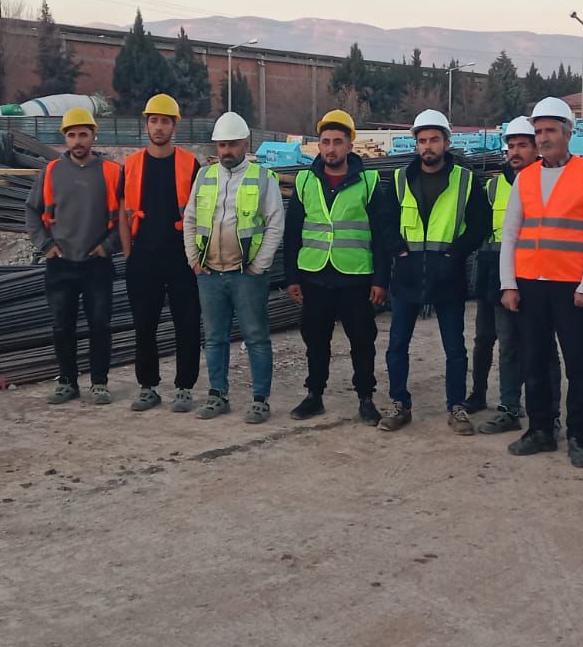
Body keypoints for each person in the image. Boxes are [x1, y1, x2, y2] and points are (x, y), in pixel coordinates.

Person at [501, 96, 583, 468]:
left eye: (550, 130)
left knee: (579, 363)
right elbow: (510, 234)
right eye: (539, 131)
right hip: (531, 283)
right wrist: (508, 284)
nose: (543, 138)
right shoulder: (526, 177)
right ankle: (540, 429)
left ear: (567, 133)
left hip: (571, 287)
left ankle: (579, 436)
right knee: (533, 360)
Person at [379, 109, 491, 434]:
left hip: (448, 278)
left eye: (434, 139)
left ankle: (456, 407)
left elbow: (480, 224)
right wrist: (398, 250)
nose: (427, 146)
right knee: (397, 345)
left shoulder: (465, 180)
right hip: (407, 276)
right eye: (422, 140)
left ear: (446, 142)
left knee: (454, 348)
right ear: (416, 144)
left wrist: (456, 253)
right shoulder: (400, 179)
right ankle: (400, 404)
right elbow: (384, 221)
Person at [284, 109, 398, 424]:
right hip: (314, 275)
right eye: (325, 142)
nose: (331, 148)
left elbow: (381, 235)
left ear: (350, 145)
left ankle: (365, 397)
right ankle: (314, 395)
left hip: (355, 277)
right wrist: (292, 277)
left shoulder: (369, 182)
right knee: (315, 340)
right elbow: (292, 234)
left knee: (362, 340)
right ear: (319, 145)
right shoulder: (305, 181)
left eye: (337, 141)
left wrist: (380, 280)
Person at [183, 111, 284, 425]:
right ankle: (217, 395)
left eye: (233, 144)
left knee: (256, 338)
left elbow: (275, 224)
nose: (226, 150)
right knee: (215, 338)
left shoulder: (263, 178)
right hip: (210, 273)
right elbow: (190, 219)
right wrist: (194, 260)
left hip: (246, 275)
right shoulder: (205, 176)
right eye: (222, 145)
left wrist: (259, 266)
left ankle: (260, 400)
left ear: (245, 144)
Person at [25, 107, 127, 406]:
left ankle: (99, 383)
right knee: (62, 327)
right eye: (72, 135)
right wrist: (46, 245)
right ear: (65, 139)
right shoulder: (51, 172)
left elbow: (126, 217)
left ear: (94, 135)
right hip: (60, 264)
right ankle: (67, 381)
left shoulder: (112, 173)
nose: (78, 140)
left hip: (97, 264)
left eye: (83, 134)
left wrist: (108, 246)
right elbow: (31, 210)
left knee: (100, 325)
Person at [468, 116, 556, 435]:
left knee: (525, 344)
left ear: (536, 148)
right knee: (491, 341)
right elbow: (483, 231)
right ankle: (495, 401)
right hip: (494, 273)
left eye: (523, 145)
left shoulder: (546, 185)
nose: (515, 152)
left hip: (533, 273)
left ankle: (530, 408)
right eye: (511, 146)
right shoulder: (494, 186)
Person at [122, 93, 202, 412]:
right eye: (153, 121)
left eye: (165, 121)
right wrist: (128, 253)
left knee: (187, 325)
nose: (158, 127)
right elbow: (122, 212)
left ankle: (184, 387)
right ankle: (148, 387)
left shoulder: (190, 164)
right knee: (144, 326)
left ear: (174, 127)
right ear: (146, 125)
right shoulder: (131, 165)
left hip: (182, 258)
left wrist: (197, 257)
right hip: (143, 257)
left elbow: (200, 212)